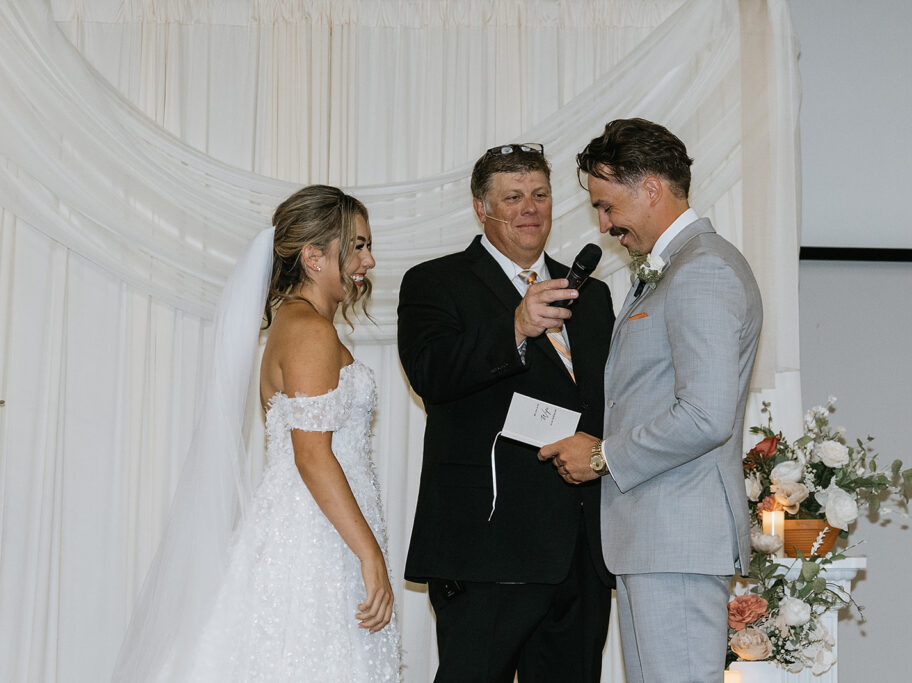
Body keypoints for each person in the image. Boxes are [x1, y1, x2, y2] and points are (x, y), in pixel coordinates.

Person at [113, 185, 402, 682]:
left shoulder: (293, 323)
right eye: (356, 245)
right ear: (314, 256)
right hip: (315, 535)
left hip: (320, 526)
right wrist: (369, 553)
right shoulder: (310, 332)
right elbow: (312, 456)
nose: (369, 260)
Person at [539, 119, 763, 683]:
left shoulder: (702, 270)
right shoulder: (673, 270)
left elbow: (706, 414)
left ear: (651, 189)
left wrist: (602, 456)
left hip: (678, 539)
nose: (604, 223)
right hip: (655, 540)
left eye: (607, 205)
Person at [397, 143, 614, 682]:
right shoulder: (435, 282)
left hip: (580, 551)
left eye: (539, 194)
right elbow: (431, 375)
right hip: (487, 546)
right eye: (513, 197)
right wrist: (514, 326)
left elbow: (607, 402)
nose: (530, 208)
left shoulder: (594, 293)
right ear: (481, 208)